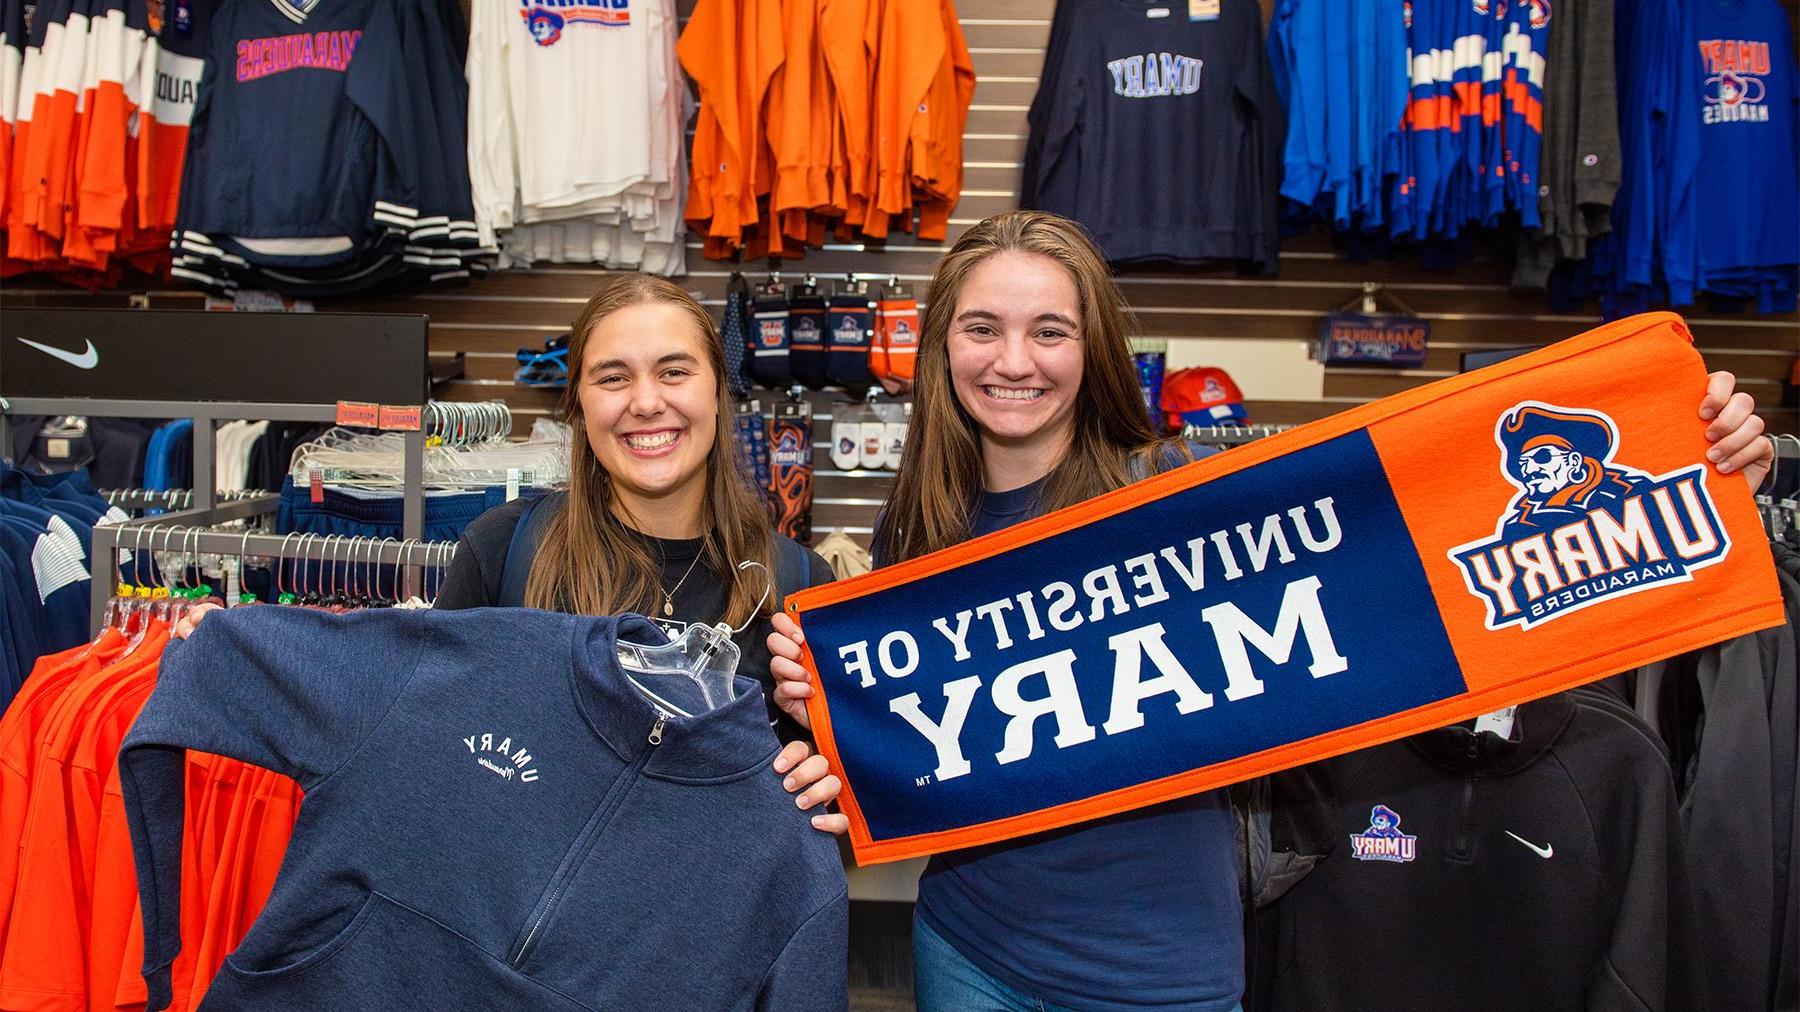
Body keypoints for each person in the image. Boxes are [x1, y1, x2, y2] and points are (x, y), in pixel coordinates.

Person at [765, 209, 1776, 1011]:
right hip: (970, 944)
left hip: (1161, 970)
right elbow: (924, 751)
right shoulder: (920, 530)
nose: (1013, 359)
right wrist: (830, 720)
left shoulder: (1182, 493)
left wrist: (1696, 448)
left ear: (1094, 347)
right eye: (981, 327)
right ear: (942, 345)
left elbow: (1432, 528)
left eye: (1050, 330)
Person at [177, 274, 848, 831]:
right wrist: (247, 650)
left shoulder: (798, 582)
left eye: (674, 371)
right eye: (613, 378)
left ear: (717, 391)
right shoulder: (505, 549)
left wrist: (829, 775)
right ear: (579, 406)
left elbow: (832, 806)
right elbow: (409, 719)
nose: (647, 402)